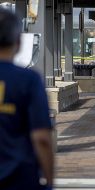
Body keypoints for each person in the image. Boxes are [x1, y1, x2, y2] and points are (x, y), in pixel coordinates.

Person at [0, 9, 53, 190]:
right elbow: (42, 138)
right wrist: (49, 181)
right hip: (20, 178)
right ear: (18, 41)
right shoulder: (28, 80)